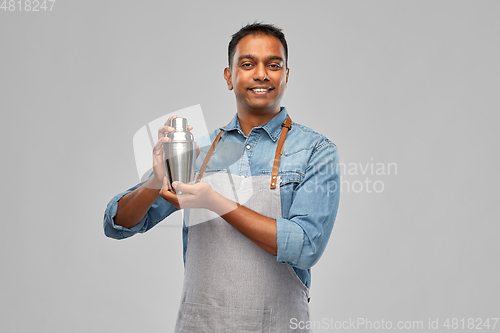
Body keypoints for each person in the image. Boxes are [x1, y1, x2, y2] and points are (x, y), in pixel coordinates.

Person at [104, 22, 340, 332]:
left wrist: (215, 201)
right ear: (229, 77)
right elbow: (117, 224)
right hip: (201, 325)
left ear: (286, 76)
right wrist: (154, 182)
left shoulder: (315, 151)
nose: (261, 74)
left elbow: (306, 247)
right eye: (247, 64)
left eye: (273, 64)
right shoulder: (197, 152)